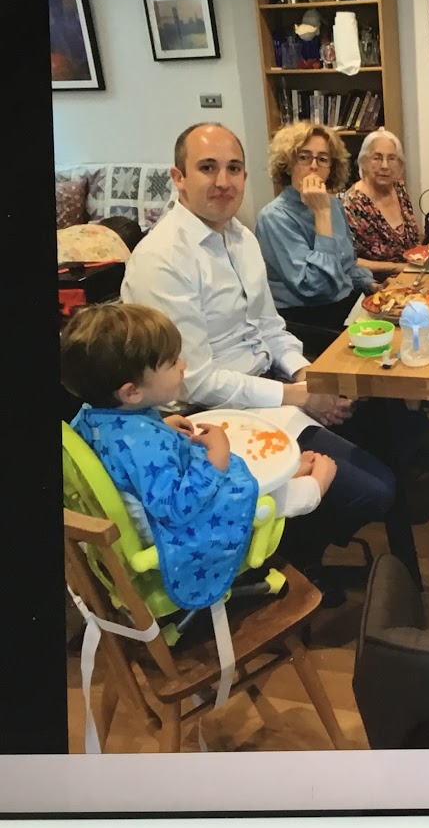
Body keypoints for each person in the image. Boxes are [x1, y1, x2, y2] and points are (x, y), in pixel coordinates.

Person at [119, 122, 398, 583]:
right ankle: (276, 563)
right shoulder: (162, 257)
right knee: (374, 488)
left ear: (246, 176)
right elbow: (195, 380)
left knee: (386, 420)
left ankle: (286, 538)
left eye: (234, 168)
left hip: (263, 384)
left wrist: (309, 377)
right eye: (207, 168)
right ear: (178, 177)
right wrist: (299, 396)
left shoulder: (242, 237)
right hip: (206, 416)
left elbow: (270, 327)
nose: (223, 181)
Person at [60, 302, 336, 610]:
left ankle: (282, 478)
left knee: (232, 470)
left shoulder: (95, 415)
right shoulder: (145, 447)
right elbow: (176, 508)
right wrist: (216, 456)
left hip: (145, 504)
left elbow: (121, 453)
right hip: (168, 530)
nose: (183, 365)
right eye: (171, 362)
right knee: (248, 495)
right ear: (131, 392)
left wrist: (160, 427)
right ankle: (308, 491)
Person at [255, 122, 377, 346]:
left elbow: (346, 265)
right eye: (304, 157)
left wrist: (370, 284)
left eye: (322, 159)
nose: (313, 166)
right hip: (308, 319)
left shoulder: (334, 205)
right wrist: (321, 214)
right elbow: (316, 288)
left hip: (346, 305)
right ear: (288, 164)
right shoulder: (274, 217)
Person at [342, 128, 422, 278]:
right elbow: (349, 261)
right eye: (377, 158)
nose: (385, 165)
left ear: (399, 164)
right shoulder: (352, 204)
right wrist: (398, 268)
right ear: (364, 162)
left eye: (391, 158)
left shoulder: (398, 188)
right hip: (377, 283)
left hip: (413, 274)